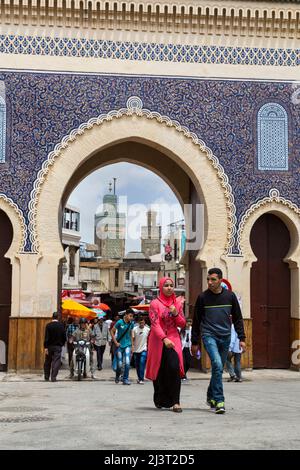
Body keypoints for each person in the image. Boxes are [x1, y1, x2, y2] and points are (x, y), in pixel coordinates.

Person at [191, 268, 246, 414]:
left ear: (220, 280)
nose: (209, 282)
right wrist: (194, 342)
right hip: (209, 335)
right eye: (208, 279)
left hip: (226, 336)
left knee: (218, 369)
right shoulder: (202, 297)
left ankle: (210, 396)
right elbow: (196, 321)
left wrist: (242, 338)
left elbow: (238, 318)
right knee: (216, 363)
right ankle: (220, 400)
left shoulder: (230, 297)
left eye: (213, 279)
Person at [145, 277, 186, 413]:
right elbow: (155, 324)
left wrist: (175, 313)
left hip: (174, 338)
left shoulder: (178, 304)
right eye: (166, 285)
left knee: (174, 367)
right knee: (159, 369)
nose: (169, 288)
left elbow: (182, 323)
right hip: (157, 340)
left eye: (171, 285)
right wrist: (163, 338)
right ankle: (160, 398)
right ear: (161, 288)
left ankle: (176, 402)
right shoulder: (155, 304)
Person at [110, 309, 135, 385]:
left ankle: (125, 379)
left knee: (127, 362)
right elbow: (112, 331)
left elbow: (131, 334)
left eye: (132, 316)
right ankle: (117, 376)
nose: (131, 318)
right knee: (120, 364)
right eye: (130, 316)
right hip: (120, 346)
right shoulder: (119, 322)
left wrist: (132, 346)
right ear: (126, 315)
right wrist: (115, 342)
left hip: (128, 345)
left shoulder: (131, 324)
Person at [43, 312, 66, 382]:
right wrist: (62, 344)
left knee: (47, 361)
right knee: (56, 362)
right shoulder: (61, 326)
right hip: (58, 346)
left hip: (49, 346)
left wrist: (45, 347)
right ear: (58, 317)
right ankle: (53, 377)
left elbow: (46, 337)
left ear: (52, 317)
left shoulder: (48, 325)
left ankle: (47, 376)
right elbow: (64, 337)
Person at [132, 316, 150, 384]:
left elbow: (150, 339)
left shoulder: (148, 329)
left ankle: (141, 379)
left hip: (144, 349)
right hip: (136, 350)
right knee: (137, 365)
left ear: (145, 322)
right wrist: (132, 347)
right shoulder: (134, 329)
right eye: (140, 322)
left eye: (143, 322)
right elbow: (132, 339)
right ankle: (139, 378)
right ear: (138, 322)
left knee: (142, 363)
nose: (141, 324)